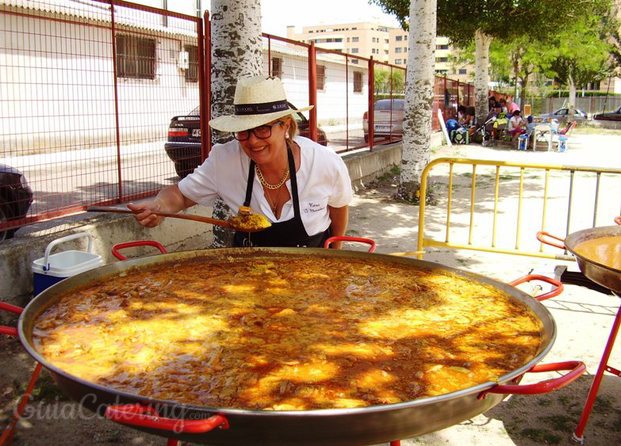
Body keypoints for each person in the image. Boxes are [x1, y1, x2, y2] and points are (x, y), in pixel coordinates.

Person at [128, 76, 353, 248]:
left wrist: (334, 253)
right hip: (247, 275)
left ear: (284, 125)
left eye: (262, 129)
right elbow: (180, 195)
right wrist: (159, 206)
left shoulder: (324, 163)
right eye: (243, 131)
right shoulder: (224, 160)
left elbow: (338, 207)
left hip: (311, 273)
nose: (252, 141)